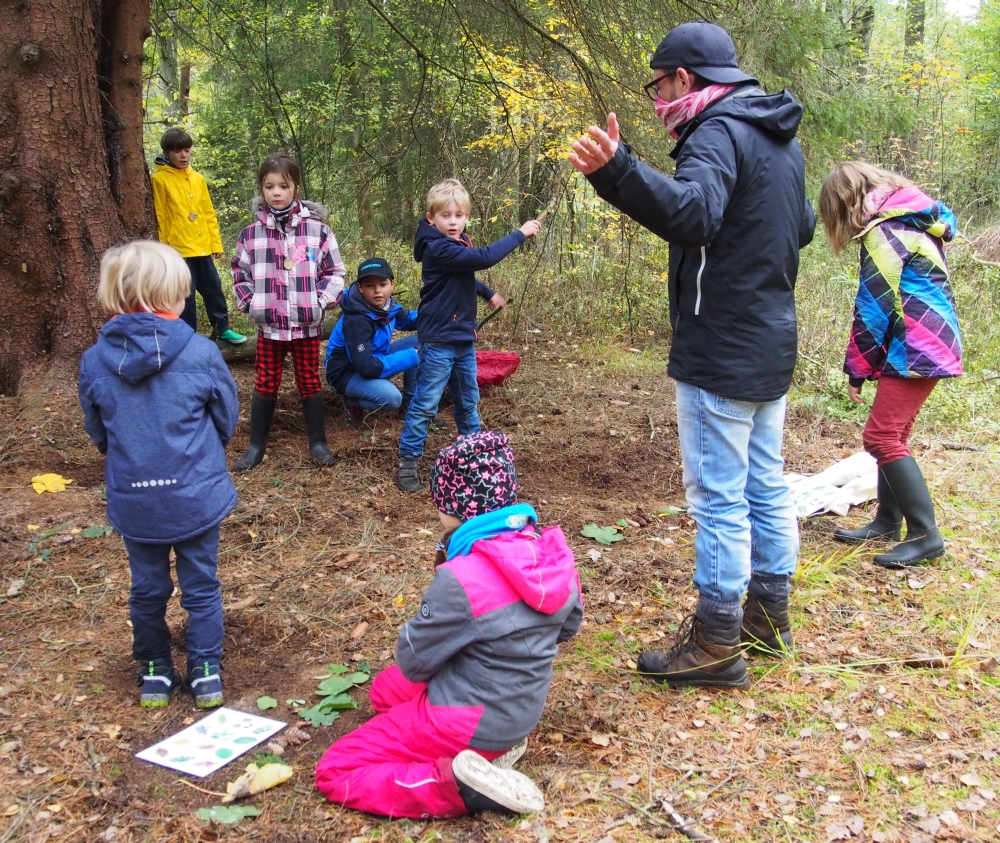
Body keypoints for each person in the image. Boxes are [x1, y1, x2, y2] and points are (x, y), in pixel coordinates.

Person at [569, 21, 816, 687]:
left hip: (722, 349)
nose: (656, 100)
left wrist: (616, 170)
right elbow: (804, 226)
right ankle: (769, 618)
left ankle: (715, 641)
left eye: (658, 85)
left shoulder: (715, 131)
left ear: (685, 79)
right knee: (764, 485)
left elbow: (694, 214)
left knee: (719, 498)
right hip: (769, 344)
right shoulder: (777, 136)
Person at [316, 431, 582, 818]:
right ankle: (495, 747)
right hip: (520, 706)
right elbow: (568, 628)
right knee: (384, 692)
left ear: (454, 505)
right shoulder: (553, 554)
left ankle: (458, 787)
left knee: (337, 768)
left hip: (469, 718)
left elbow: (415, 661)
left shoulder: (461, 578)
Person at [78, 241, 239, 709]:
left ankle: (154, 669)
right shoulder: (200, 351)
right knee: (202, 583)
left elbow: (97, 427)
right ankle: (205, 668)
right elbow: (225, 415)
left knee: (147, 587)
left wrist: (129, 457)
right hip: (195, 493)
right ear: (173, 294)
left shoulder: (94, 360)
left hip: (136, 497)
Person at [819, 162, 962, 568]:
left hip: (916, 345)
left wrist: (857, 368)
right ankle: (887, 520)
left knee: (881, 437)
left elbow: (874, 306)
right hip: (926, 340)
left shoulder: (887, 229)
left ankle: (925, 535)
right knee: (894, 433)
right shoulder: (916, 219)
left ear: (845, 202)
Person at [397, 178, 540, 492]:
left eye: (458, 216)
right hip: (438, 339)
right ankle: (408, 460)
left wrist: (487, 293)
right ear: (430, 218)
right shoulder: (436, 247)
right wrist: (519, 234)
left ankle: (473, 456)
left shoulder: (456, 243)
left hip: (462, 337)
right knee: (426, 403)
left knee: (468, 400)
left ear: (466, 217)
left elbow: (466, 273)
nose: (453, 222)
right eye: (445, 216)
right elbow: (482, 258)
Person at [231, 155, 346, 470]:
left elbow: (334, 272)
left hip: (305, 326)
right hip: (269, 326)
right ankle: (256, 447)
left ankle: (318, 443)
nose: (276, 192)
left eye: (284, 186)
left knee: (308, 380)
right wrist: (251, 304)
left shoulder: (317, 231)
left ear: (296, 188)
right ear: (262, 189)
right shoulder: (251, 235)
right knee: (266, 380)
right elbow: (239, 274)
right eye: (269, 186)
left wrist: (319, 302)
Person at [151, 128, 247, 345]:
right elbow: (161, 216)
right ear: (167, 153)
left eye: (187, 150)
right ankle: (188, 336)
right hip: (178, 250)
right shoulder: (160, 180)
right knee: (186, 295)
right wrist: (165, 250)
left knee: (213, 289)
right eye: (177, 152)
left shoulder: (198, 179)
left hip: (202, 247)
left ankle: (222, 328)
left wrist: (215, 243)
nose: (183, 156)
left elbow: (207, 213)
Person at [324, 257, 419, 428]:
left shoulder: (387, 307)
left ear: (392, 284)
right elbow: (366, 368)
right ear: (360, 288)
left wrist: (436, 315)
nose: (377, 291)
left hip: (373, 359)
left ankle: (409, 407)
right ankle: (353, 402)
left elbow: (409, 319)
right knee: (391, 399)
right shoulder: (356, 320)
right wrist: (411, 356)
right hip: (346, 373)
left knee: (420, 342)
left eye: (382, 285)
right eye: (369, 286)